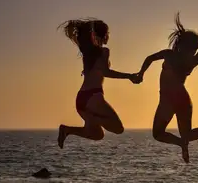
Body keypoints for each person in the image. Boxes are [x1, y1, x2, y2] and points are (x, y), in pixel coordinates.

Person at [135, 5, 198, 163]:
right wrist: (141, 73)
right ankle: (194, 139)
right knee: (169, 134)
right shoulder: (175, 56)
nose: (196, 50)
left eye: (196, 48)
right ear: (184, 45)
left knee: (174, 134)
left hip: (175, 100)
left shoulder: (186, 58)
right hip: (174, 100)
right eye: (194, 47)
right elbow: (149, 58)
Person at [57, 18, 140, 148]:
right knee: (118, 128)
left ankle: (67, 130)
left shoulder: (88, 53)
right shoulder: (103, 51)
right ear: (104, 35)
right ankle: (93, 118)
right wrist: (129, 76)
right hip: (93, 96)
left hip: (82, 99)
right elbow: (106, 72)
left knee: (97, 134)